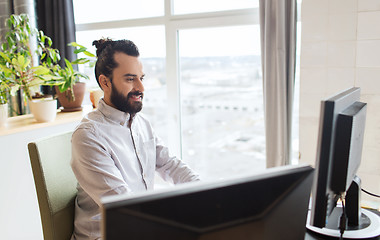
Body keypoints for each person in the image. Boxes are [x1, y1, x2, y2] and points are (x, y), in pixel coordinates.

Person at [70, 38, 200, 240]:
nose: (141, 87)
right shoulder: (88, 136)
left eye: (141, 78)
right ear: (105, 82)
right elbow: (123, 206)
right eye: (130, 79)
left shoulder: (141, 123)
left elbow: (170, 165)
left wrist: (206, 193)